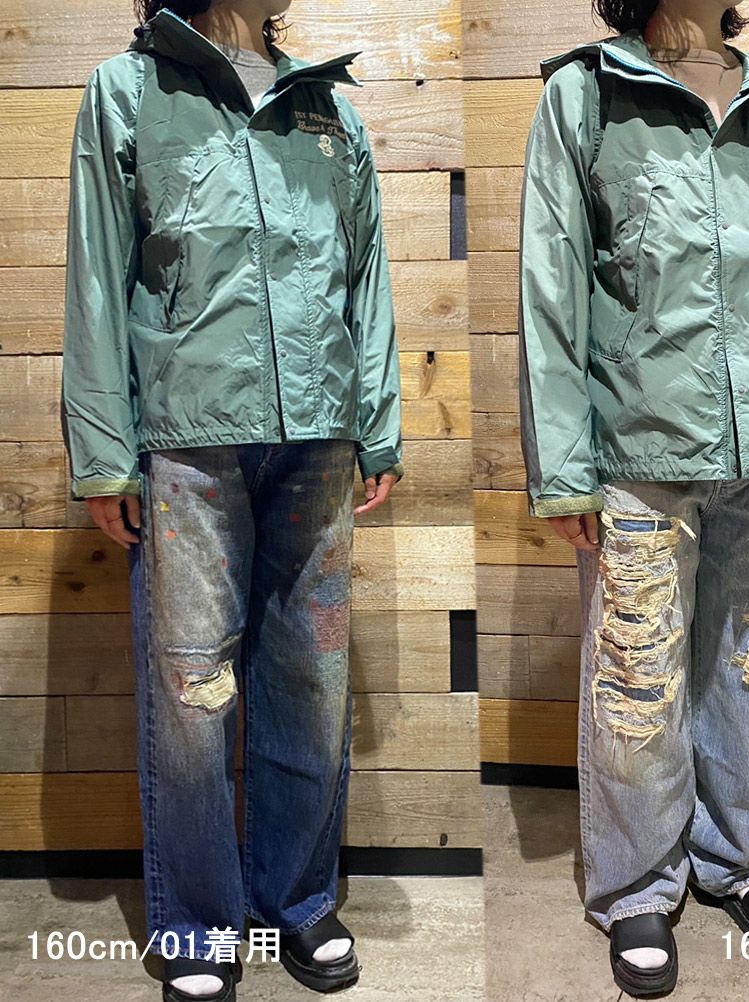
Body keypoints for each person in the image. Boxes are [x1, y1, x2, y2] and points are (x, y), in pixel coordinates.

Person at [60, 1, 403, 998]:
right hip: (189, 443)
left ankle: (299, 899)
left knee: (310, 685)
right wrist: (103, 454)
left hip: (319, 439)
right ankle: (200, 922)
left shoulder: (324, 105)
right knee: (192, 695)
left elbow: (366, 273)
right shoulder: (128, 92)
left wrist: (377, 422)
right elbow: (98, 275)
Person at [517, 0, 749, 995]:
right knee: (639, 681)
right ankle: (636, 886)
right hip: (640, 451)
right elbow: (551, 287)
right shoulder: (586, 95)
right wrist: (563, 467)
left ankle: (737, 856)